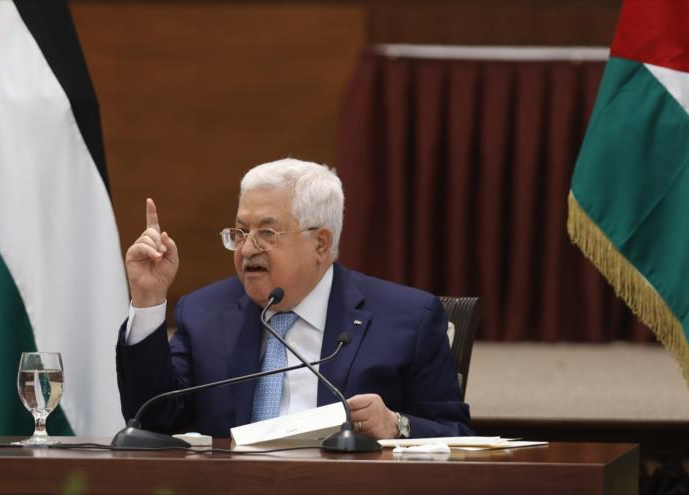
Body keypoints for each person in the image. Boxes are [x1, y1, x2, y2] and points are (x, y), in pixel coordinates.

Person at [116, 158, 472, 439]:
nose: (247, 248)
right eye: (241, 231)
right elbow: (151, 417)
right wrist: (148, 301)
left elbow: (456, 435)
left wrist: (397, 425)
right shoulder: (205, 312)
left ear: (320, 243)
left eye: (267, 232)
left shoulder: (408, 317)